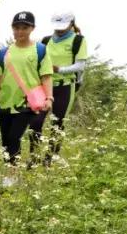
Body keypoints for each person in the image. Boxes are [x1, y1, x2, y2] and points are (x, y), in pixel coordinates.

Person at [0, 11, 54, 173]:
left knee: (14, 137)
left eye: (24, 27)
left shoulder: (40, 50)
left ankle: (13, 176)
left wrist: (49, 97)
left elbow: (46, 76)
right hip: (5, 103)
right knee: (6, 140)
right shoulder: (3, 53)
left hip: (27, 103)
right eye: (17, 27)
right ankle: (10, 172)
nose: (20, 31)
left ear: (32, 28)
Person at [33, 12, 88, 160]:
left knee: (57, 123)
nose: (60, 30)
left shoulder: (78, 41)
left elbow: (80, 66)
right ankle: (34, 156)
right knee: (36, 121)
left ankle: (50, 158)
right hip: (44, 86)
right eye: (57, 27)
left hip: (65, 86)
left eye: (63, 27)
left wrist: (60, 69)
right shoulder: (45, 41)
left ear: (71, 24)